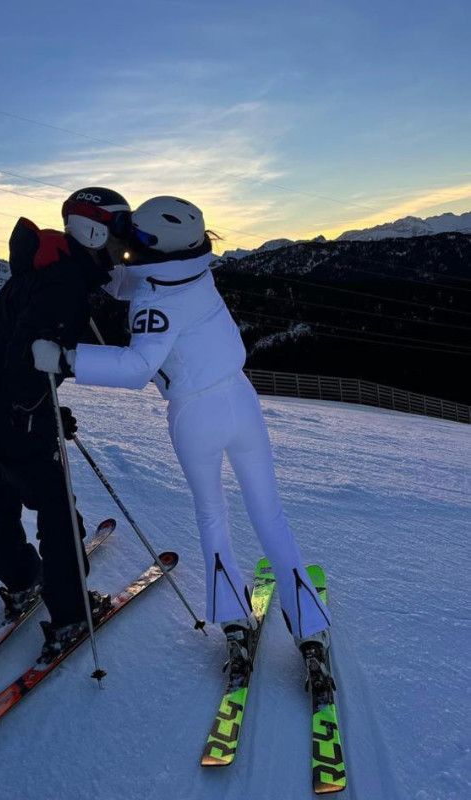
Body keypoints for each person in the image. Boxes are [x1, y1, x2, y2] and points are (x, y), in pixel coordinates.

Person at [32, 196, 332, 680]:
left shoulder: (155, 302)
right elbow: (136, 277)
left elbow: (137, 367)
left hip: (194, 415)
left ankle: (234, 621)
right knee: (269, 514)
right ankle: (310, 628)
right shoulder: (196, 272)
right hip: (241, 400)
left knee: (213, 517)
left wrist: (67, 358)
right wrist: (102, 271)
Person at [0, 187, 132, 662]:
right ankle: (70, 615)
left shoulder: (50, 267)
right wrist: (34, 412)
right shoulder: (64, 282)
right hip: (2, 403)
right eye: (119, 230)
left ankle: (23, 580)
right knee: (55, 504)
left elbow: (21, 347)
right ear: (93, 230)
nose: (125, 243)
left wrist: (44, 408)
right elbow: (27, 358)